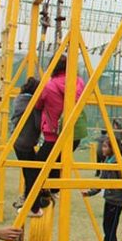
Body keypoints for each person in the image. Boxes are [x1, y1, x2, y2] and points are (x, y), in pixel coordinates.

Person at [33, 55, 86, 213]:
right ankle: (54, 190)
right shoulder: (79, 82)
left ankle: (40, 198)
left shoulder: (49, 86)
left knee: (37, 166)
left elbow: (38, 104)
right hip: (74, 134)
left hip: (54, 134)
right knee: (58, 162)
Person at [82, 138, 122, 241]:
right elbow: (102, 181)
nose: (102, 149)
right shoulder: (108, 161)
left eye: (105, 146)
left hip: (116, 201)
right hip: (109, 199)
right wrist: (90, 192)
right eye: (103, 146)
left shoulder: (119, 162)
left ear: (113, 148)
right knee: (108, 226)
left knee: (110, 227)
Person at [10, 77, 42, 215]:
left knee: (29, 171)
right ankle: (32, 205)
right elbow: (38, 124)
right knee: (31, 174)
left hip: (17, 140)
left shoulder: (19, 100)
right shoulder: (33, 103)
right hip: (26, 141)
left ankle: (29, 198)